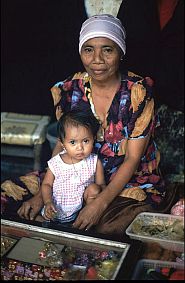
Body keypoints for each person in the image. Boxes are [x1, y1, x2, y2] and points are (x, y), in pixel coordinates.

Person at [3, 14, 179, 239]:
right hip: (71, 169)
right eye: (88, 49)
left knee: (108, 228)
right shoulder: (71, 89)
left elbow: (132, 159)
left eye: (107, 49)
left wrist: (99, 205)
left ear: (121, 52)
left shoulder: (137, 92)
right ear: (80, 52)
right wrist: (44, 193)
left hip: (124, 176)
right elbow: (62, 142)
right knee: (10, 196)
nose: (97, 59)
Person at [40, 109, 105, 224]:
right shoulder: (56, 162)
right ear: (62, 143)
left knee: (95, 189)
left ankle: (81, 221)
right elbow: (46, 184)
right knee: (40, 222)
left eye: (85, 141)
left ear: (93, 139)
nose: (80, 148)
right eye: (73, 142)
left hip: (81, 209)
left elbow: (101, 186)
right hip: (56, 208)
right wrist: (48, 202)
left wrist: (93, 202)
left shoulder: (94, 161)